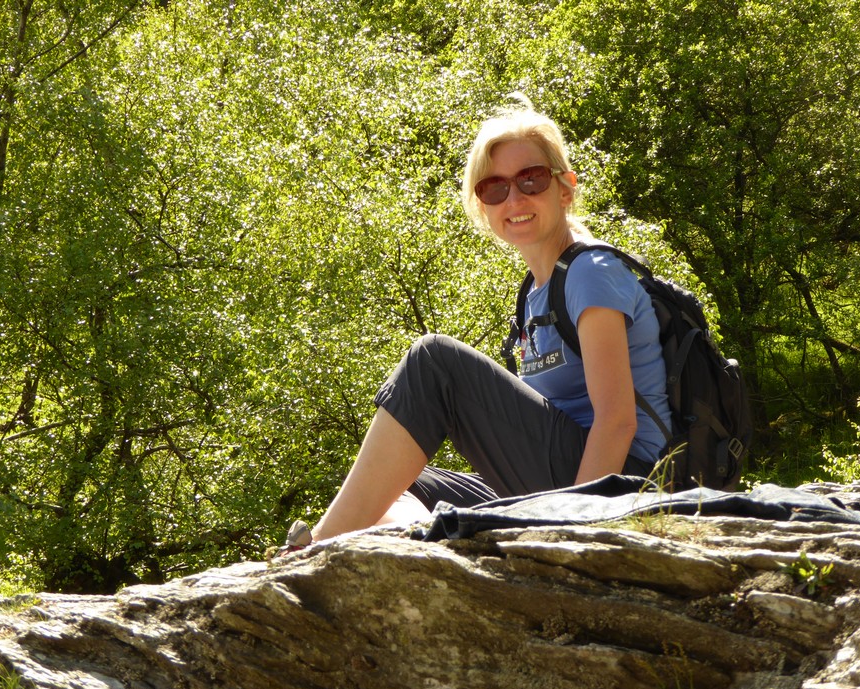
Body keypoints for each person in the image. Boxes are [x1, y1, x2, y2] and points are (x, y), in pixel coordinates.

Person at [286, 98, 671, 549]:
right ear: (482, 205)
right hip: (566, 472)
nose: (515, 198)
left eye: (531, 179)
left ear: (565, 188)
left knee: (434, 361)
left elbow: (617, 422)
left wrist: (575, 532)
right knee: (397, 481)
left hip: (625, 483)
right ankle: (404, 551)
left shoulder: (590, 272)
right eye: (494, 188)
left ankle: (314, 548)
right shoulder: (536, 291)